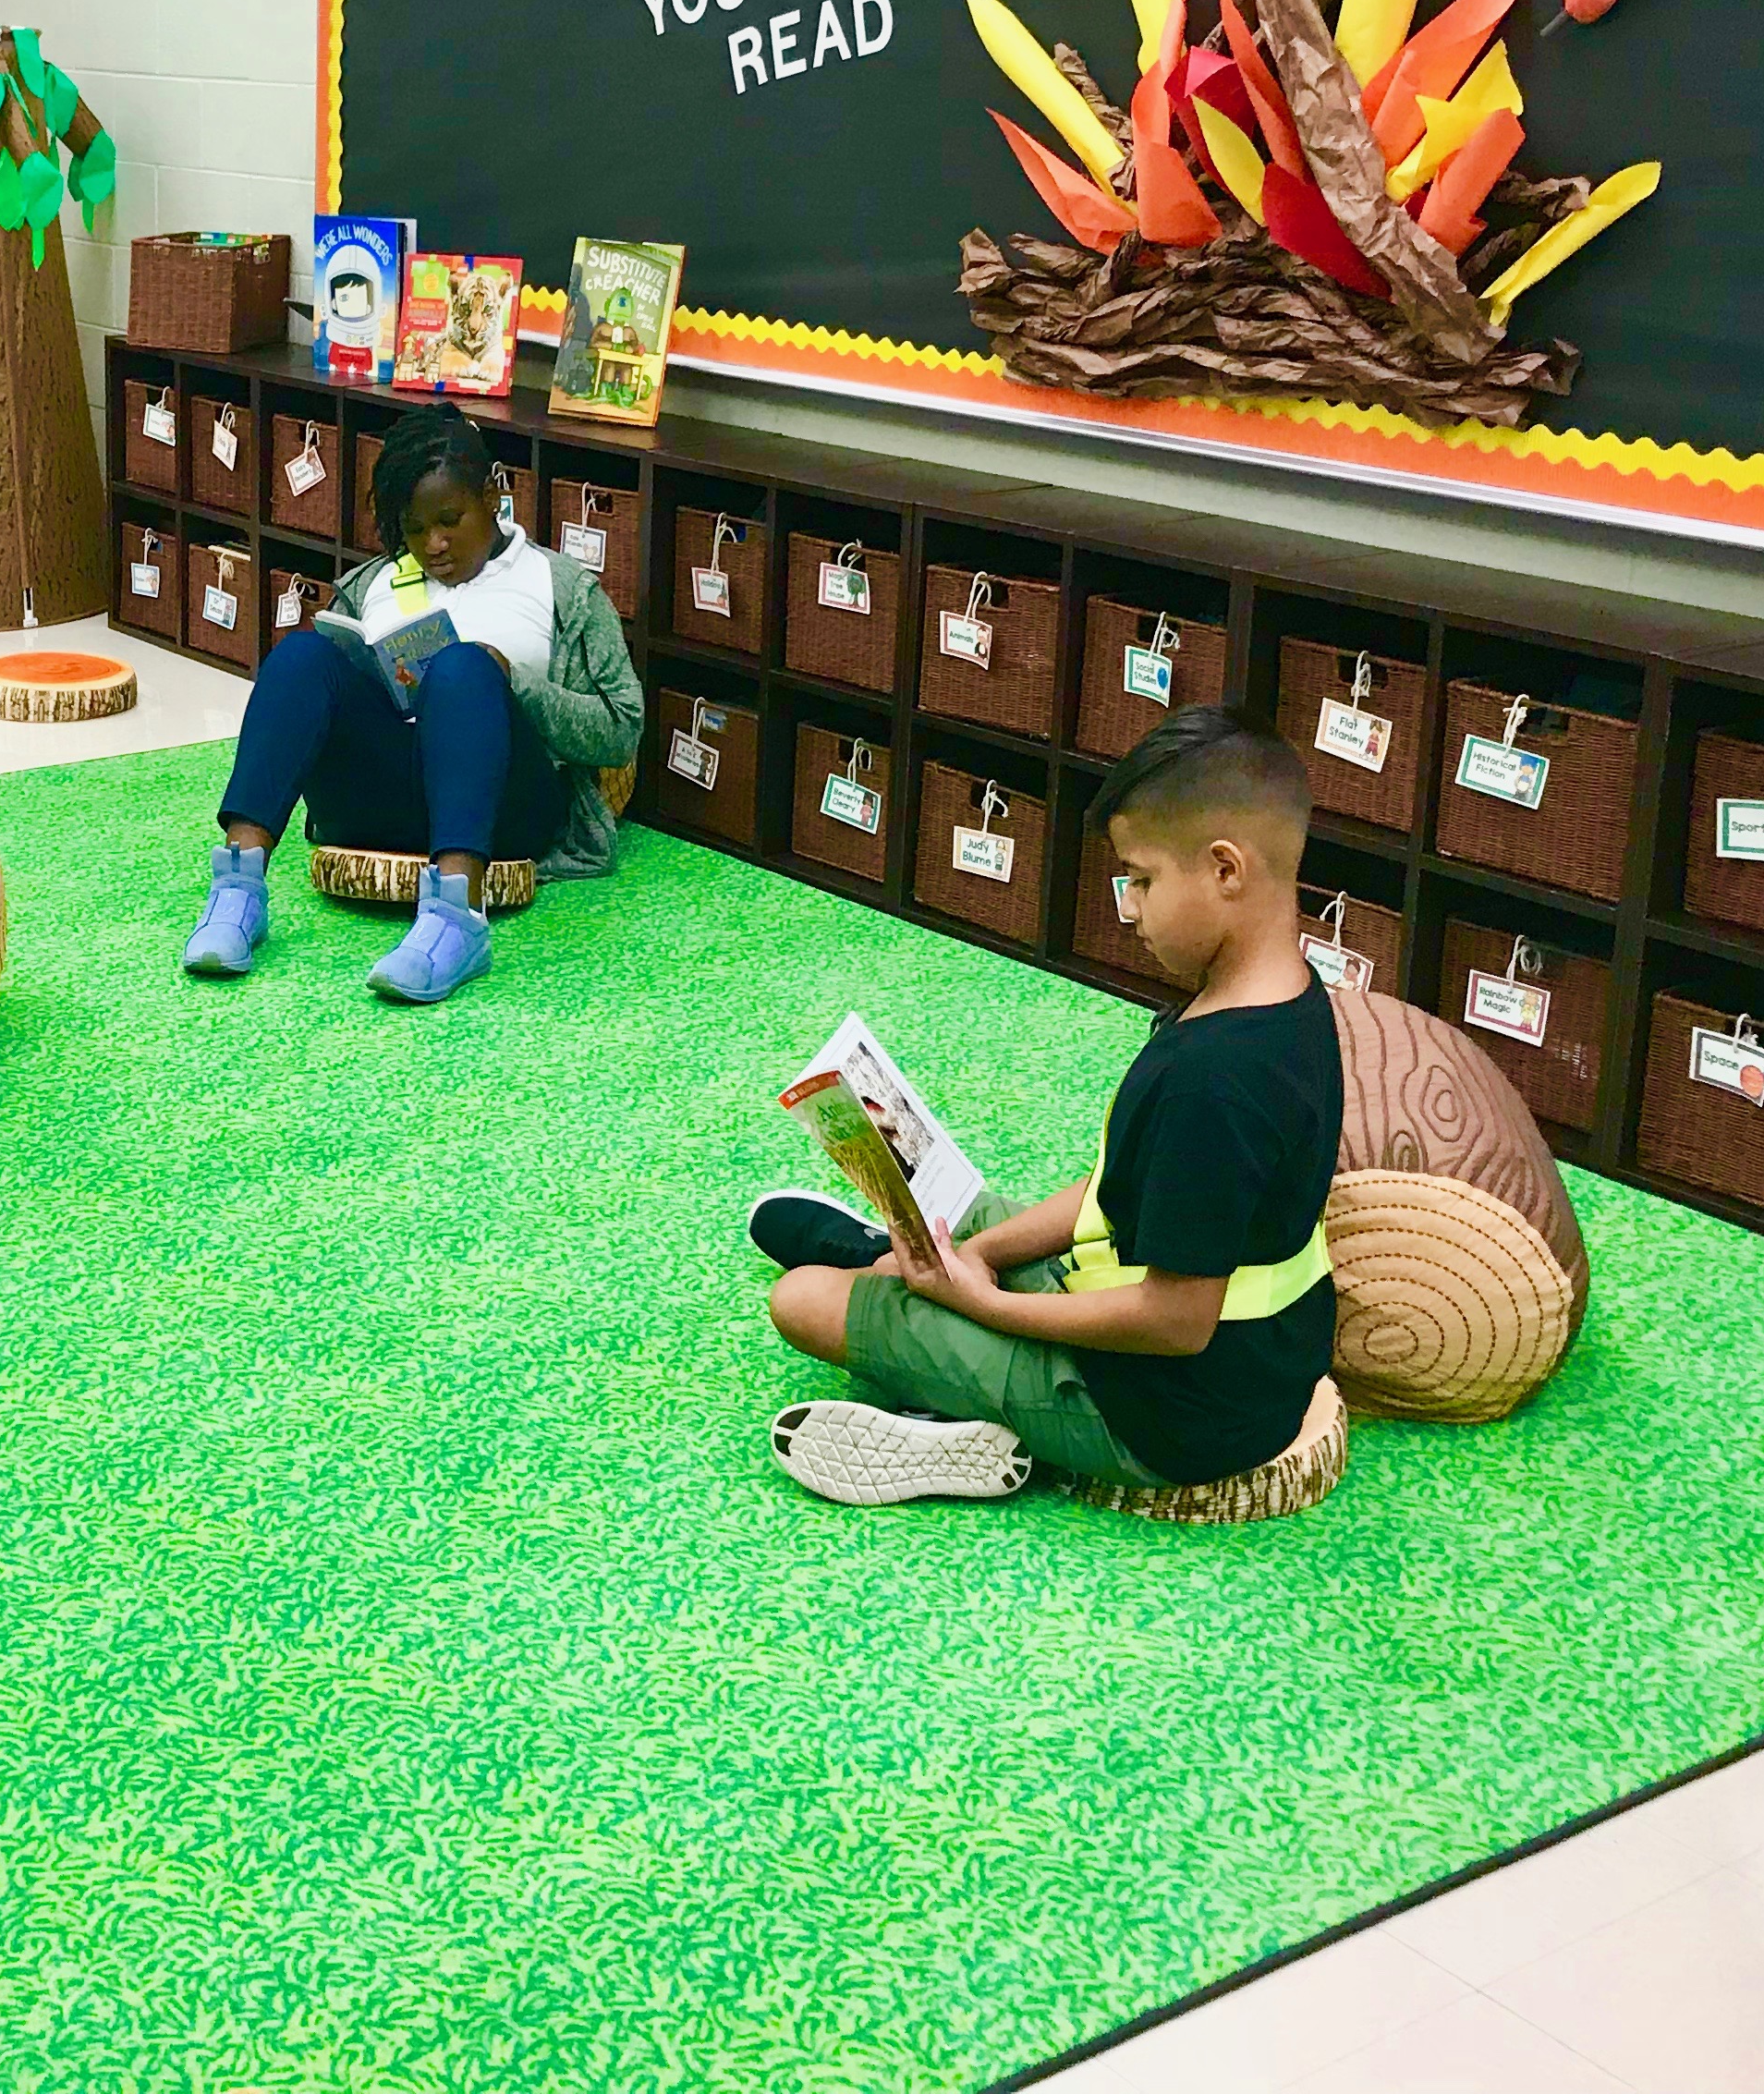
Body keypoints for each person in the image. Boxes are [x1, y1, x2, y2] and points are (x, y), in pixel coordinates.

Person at [757, 706, 1342, 1506]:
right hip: (1237, 1363)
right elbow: (1122, 1195)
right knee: (964, 1212)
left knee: (800, 1303)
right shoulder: (1293, 1007)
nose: (1128, 907)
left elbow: (1176, 1323)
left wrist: (990, 1306)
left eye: (1141, 879)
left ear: (1225, 871)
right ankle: (902, 1267)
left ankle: (934, 1373)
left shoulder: (1216, 1080)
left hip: (1160, 1415)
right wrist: (985, 1256)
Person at [184, 406, 642, 1004]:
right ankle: (238, 891)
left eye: (451, 520)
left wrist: (516, 683)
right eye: (416, 528)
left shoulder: (559, 587)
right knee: (301, 658)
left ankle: (457, 920)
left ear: (493, 495)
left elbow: (622, 731)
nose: (435, 545)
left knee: (463, 667)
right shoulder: (372, 583)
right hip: (376, 799)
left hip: (502, 809)